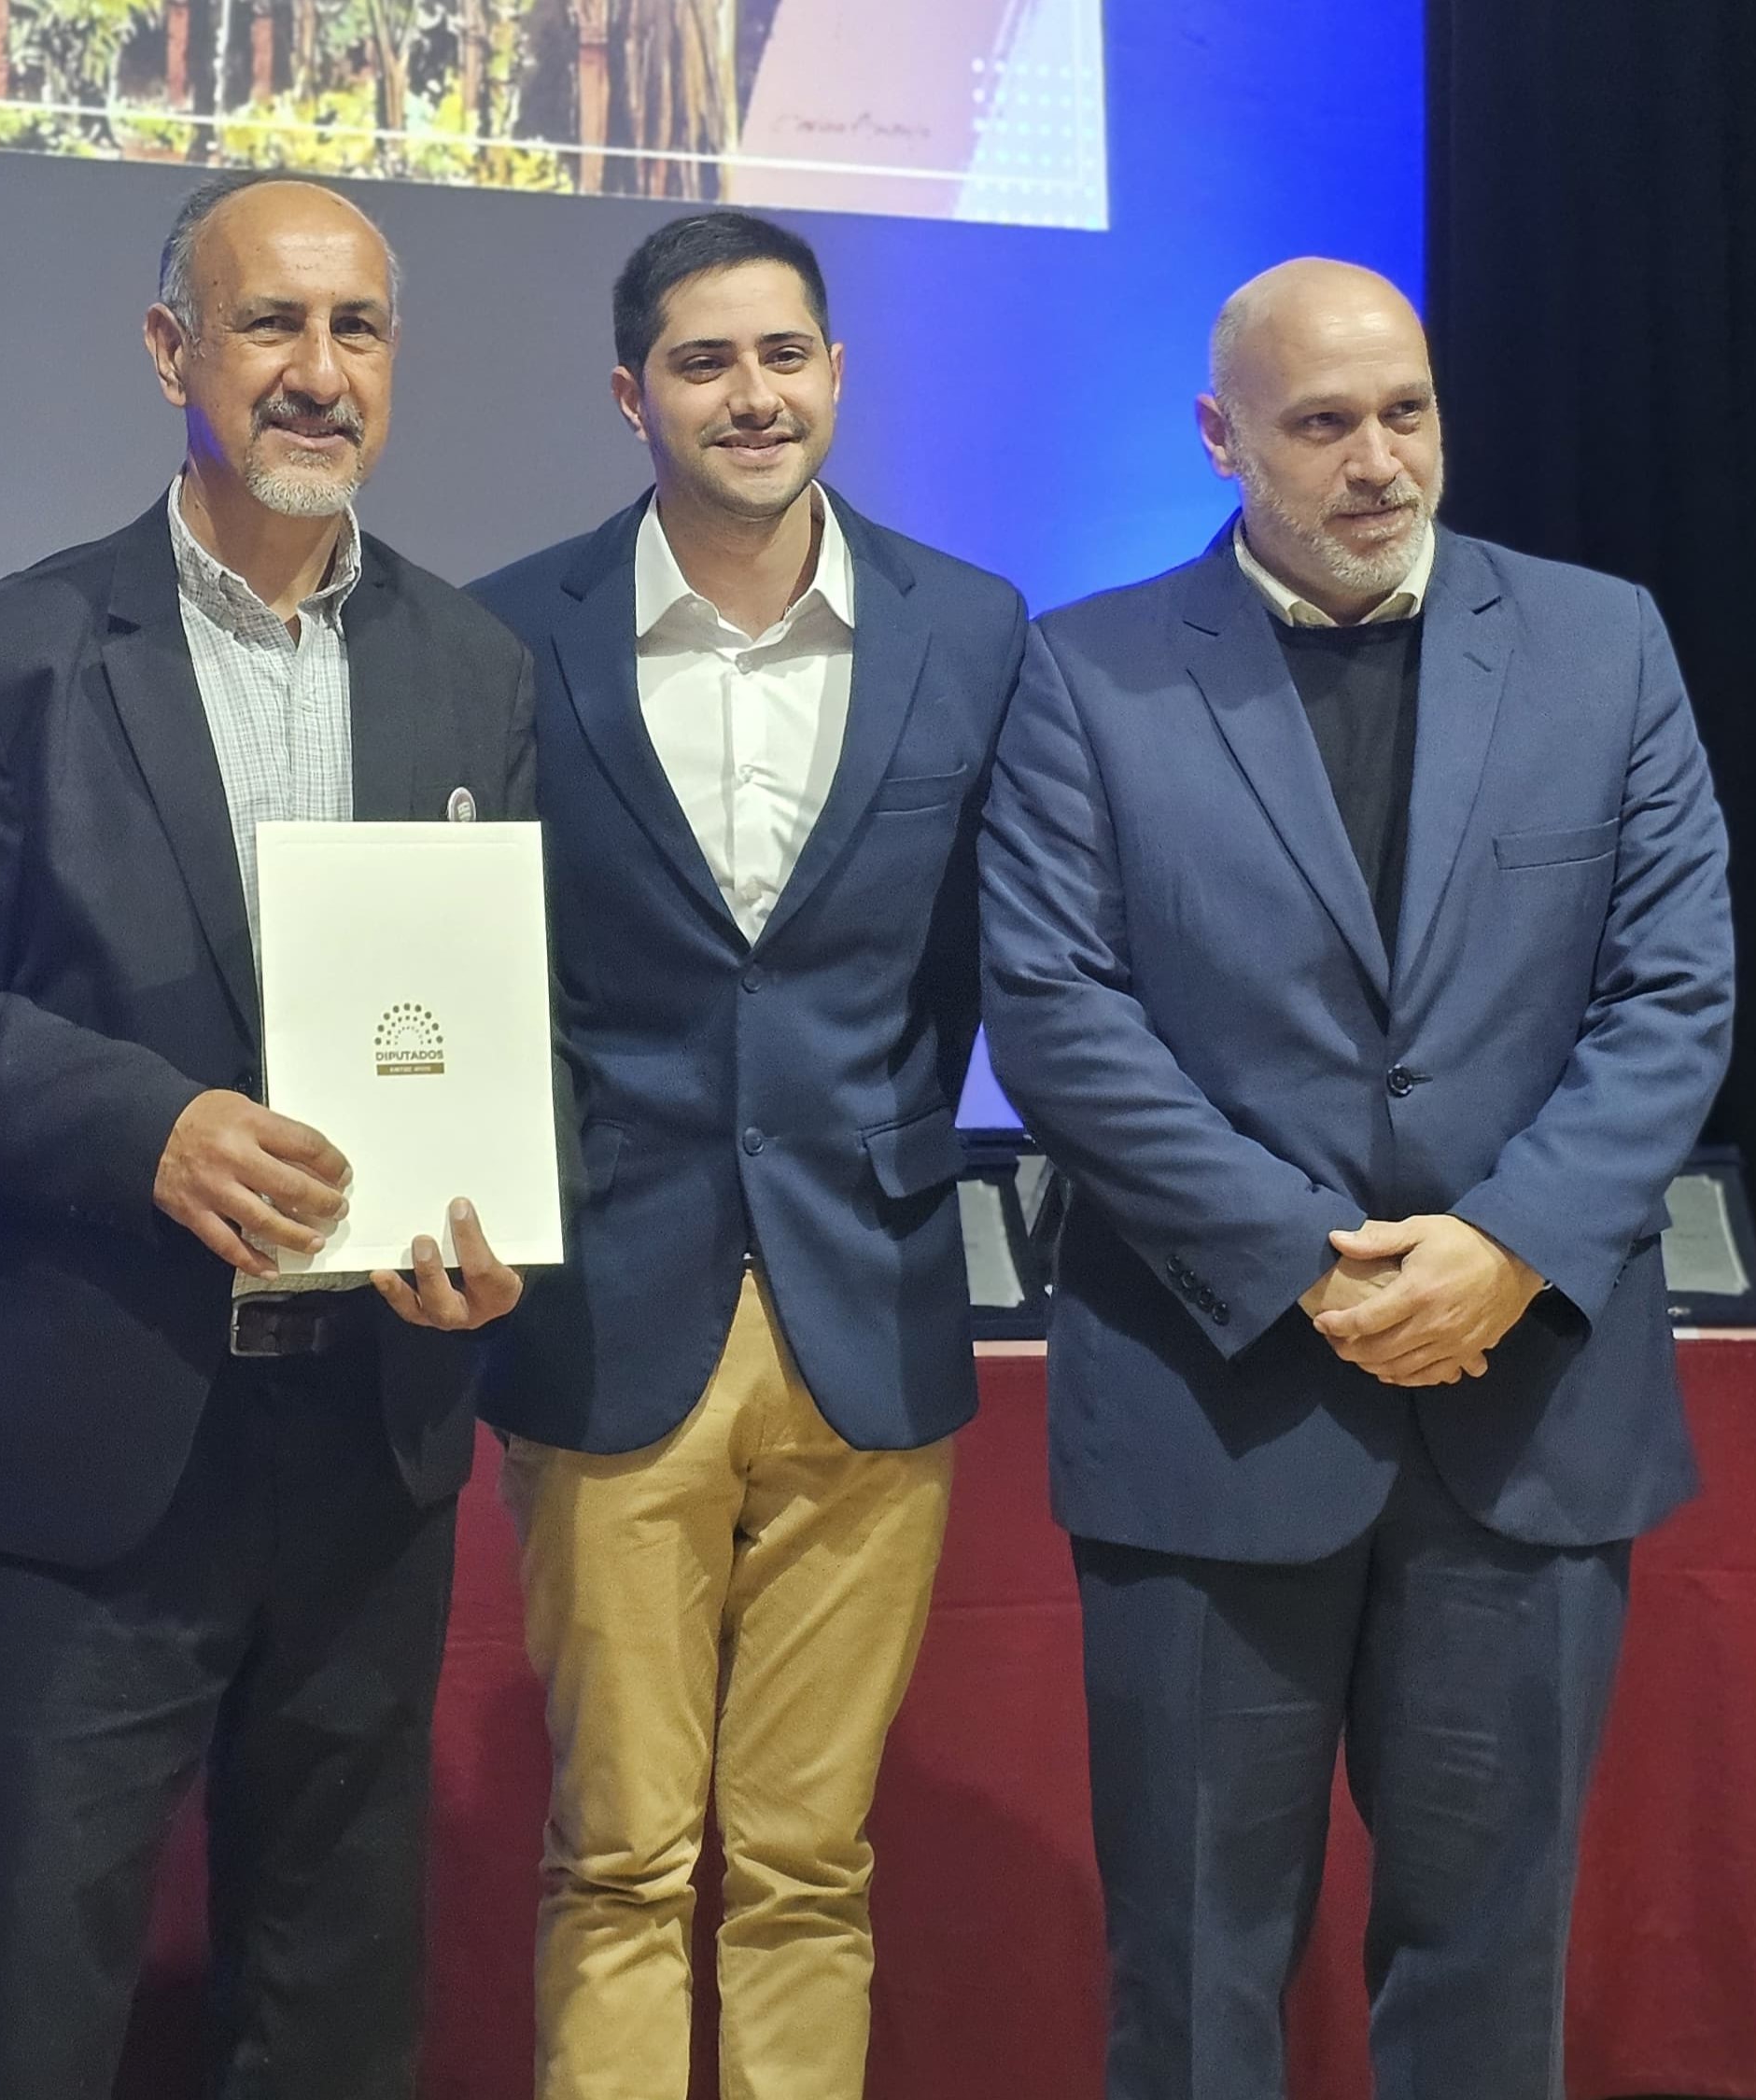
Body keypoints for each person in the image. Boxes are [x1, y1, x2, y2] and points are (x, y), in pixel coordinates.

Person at [977, 257, 1736, 2099]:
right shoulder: (1086, 670)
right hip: (1213, 1406)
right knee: (1191, 1960)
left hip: (1527, 1404)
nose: (1380, 458)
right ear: (1221, 437)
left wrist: (1506, 1249)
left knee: (1493, 1958)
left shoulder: (1606, 642)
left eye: (1407, 411)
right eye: (1324, 422)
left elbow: (1675, 994)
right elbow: (1062, 1021)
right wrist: (1316, 1263)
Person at [0, 172, 535, 2100]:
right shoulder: (0, 658)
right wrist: (146, 1126)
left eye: (357, 331)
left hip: (366, 1445)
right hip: (82, 1454)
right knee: (28, 2012)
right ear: (174, 349)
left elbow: (500, 1011)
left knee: (335, 2007)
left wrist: (493, 1211)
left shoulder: (475, 671)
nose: (317, 373)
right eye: (271, 325)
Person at [468, 210, 1031, 2100]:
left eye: (784, 354)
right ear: (632, 395)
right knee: (619, 1857)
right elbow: (486, 979)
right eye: (704, 363)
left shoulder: (972, 627)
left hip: (868, 1309)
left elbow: (989, 961)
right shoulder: (504, 631)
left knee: (806, 1865)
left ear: (838, 374)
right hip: (603, 1315)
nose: (753, 395)